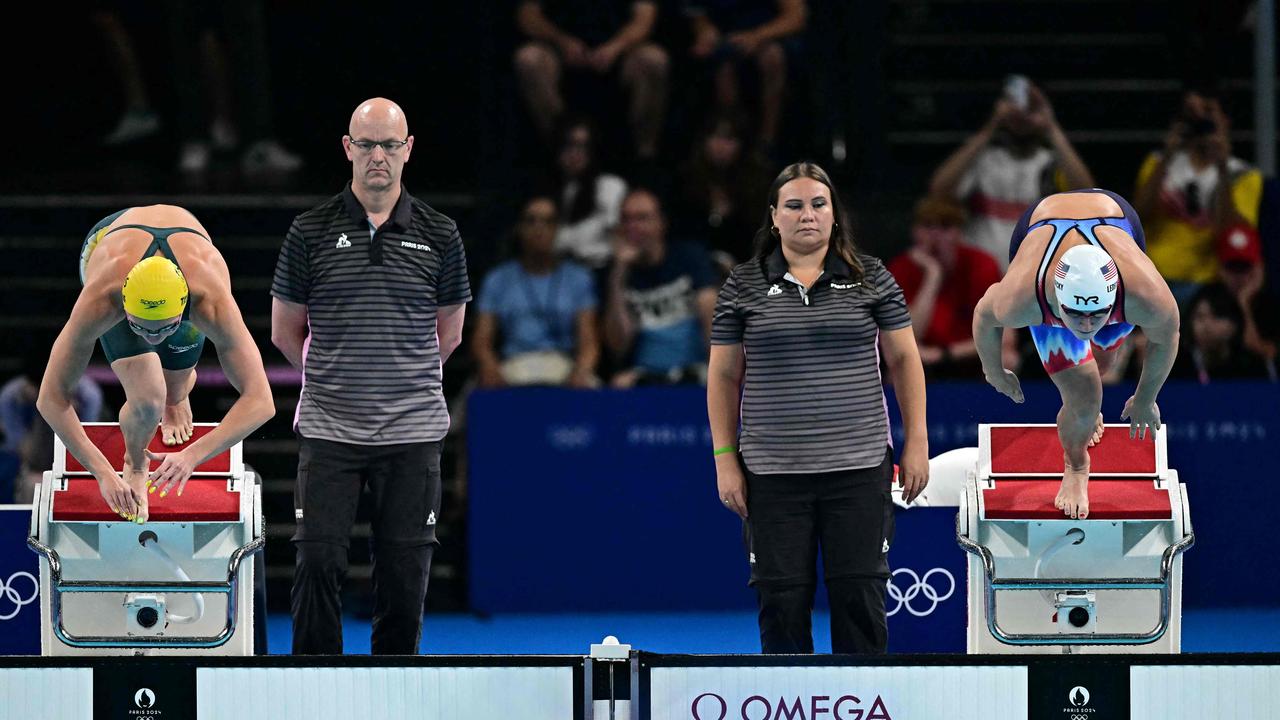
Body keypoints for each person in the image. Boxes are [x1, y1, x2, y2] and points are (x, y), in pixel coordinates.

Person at [271, 98, 471, 655]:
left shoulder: (441, 233)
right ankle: (315, 684)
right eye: (366, 144)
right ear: (347, 149)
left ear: (408, 150)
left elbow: (449, 335)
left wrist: (400, 380)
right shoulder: (308, 231)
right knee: (316, 562)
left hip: (413, 433)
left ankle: (393, 686)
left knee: (405, 578)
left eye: (389, 144)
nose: (377, 156)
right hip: (330, 430)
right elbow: (285, 332)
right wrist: (336, 379)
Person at [707, 161, 929, 654]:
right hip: (771, 473)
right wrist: (725, 459)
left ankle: (868, 705)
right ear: (774, 217)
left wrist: (917, 443)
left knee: (860, 596)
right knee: (781, 602)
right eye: (794, 205)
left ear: (833, 214)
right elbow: (723, 376)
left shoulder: (872, 277)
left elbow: (904, 359)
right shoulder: (742, 284)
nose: (807, 214)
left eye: (818, 204)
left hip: (859, 468)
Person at [37, 205, 276, 523]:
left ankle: (177, 396)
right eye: (139, 328)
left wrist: (192, 456)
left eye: (163, 329)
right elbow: (50, 398)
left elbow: (261, 402)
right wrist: (102, 473)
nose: (152, 339)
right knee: (149, 399)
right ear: (123, 306)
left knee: (171, 393)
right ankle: (135, 463)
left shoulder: (209, 300)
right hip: (109, 244)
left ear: (184, 310)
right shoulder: (101, 298)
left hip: (188, 254)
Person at [973, 189, 1180, 520]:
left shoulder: (1146, 294)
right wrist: (993, 371)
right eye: (1076, 314)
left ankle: (1086, 404)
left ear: (1113, 300)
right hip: (1040, 227)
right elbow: (984, 315)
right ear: (1056, 298)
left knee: (1106, 359)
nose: (1086, 326)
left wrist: (1145, 398)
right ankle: (1076, 464)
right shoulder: (1025, 297)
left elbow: (1167, 338)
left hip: (1116, 219)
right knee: (1085, 396)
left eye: (1096, 315)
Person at [929, 77, 1094, 270]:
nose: (1021, 114)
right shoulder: (983, 159)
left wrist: (1051, 126)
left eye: (1030, 105)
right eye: (1013, 102)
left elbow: (1087, 196)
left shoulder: (1050, 162)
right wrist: (992, 125)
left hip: (1032, 274)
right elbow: (939, 190)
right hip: (981, 275)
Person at [1133, 90, 1264, 305]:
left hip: (1205, 282)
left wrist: (1222, 167)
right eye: (1192, 115)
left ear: (1226, 121)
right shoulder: (1158, 161)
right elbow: (1138, 216)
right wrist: (1167, 156)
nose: (1201, 121)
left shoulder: (1242, 175)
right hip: (1152, 274)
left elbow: (1232, 234)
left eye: (1209, 113)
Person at [513, 0, 669, 160]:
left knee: (653, 60)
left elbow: (644, 20)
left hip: (620, 53)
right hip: (559, 54)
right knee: (529, 59)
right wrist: (561, 41)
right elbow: (528, 16)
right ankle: (564, 146)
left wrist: (616, 46)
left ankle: (645, 156)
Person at [472, 196, 601, 387]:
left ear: (557, 229)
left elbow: (589, 341)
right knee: (468, 404)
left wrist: (582, 370)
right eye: (531, 221)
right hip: (513, 366)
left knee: (600, 398)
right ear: (519, 228)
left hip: (563, 365)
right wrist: (489, 367)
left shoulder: (579, 278)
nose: (539, 229)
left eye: (548, 222)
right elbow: (481, 340)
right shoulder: (498, 279)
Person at [603, 189, 718, 387]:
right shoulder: (615, 272)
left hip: (695, 371)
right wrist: (618, 276)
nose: (633, 227)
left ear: (661, 223)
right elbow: (617, 347)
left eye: (642, 218)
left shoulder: (689, 258)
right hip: (644, 375)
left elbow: (713, 321)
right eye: (627, 220)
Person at [887, 196, 1003, 378]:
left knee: (1008, 359)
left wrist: (945, 354)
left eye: (945, 227)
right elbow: (905, 338)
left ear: (959, 233)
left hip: (971, 359)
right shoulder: (901, 268)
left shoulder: (983, 264)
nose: (935, 235)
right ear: (914, 232)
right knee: (897, 368)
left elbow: (1004, 338)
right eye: (927, 226)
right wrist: (933, 276)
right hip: (921, 361)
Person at [684, 0, 808, 152]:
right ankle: (725, 140)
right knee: (722, 66)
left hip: (770, 38)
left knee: (772, 58)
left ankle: (766, 143)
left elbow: (796, 17)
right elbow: (697, 15)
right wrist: (705, 31)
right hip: (724, 42)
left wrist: (757, 36)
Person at [676, 112, 773, 274]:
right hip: (694, 274)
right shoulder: (686, 183)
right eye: (714, 136)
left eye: (729, 139)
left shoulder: (758, 188)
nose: (720, 146)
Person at [550, 118, 629, 269]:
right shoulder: (551, 192)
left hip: (600, 270)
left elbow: (620, 242)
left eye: (583, 146)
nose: (575, 153)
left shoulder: (609, 186)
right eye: (569, 145)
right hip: (557, 273)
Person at [1169, 283, 1276, 383]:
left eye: (1216, 316)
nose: (1207, 326)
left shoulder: (1250, 366)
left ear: (1234, 323)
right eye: (1199, 317)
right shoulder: (1176, 364)